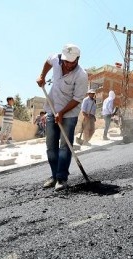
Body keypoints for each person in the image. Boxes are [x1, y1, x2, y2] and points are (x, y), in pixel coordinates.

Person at [36, 44, 88, 191]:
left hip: (69, 113)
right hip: (52, 109)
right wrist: (42, 76)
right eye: (66, 61)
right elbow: (48, 61)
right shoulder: (57, 59)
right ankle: (54, 176)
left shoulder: (81, 75)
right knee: (51, 146)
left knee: (65, 146)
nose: (69, 64)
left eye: (72, 62)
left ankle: (62, 178)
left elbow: (77, 99)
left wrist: (62, 113)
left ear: (78, 59)